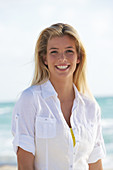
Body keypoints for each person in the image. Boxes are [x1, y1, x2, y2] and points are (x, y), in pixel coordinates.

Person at [12, 23, 106, 170]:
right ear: (44, 59)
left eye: (69, 51)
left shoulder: (91, 108)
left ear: (78, 57)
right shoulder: (30, 100)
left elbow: (95, 164)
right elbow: (24, 165)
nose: (62, 58)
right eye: (54, 52)